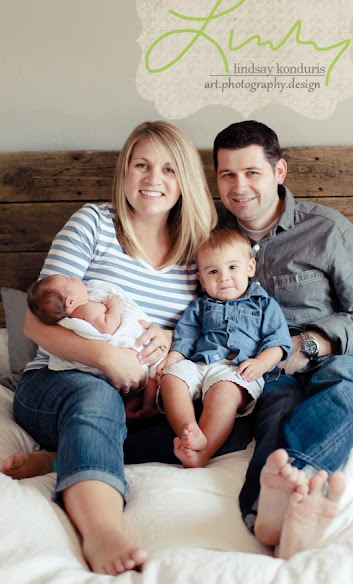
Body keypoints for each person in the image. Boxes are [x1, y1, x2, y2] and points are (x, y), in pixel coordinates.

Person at [0, 120, 226, 576]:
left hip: (144, 396)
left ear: (185, 179)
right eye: (141, 165)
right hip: (60, 382)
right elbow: (34, 322)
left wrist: (169, 340)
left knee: (214, 426)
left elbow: (203, 333)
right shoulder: (94, 223)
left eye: (168, 168)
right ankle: (102, 530)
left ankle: (61, 458)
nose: (153, 179)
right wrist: (106, 357)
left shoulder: (196, 253)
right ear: (124, 171)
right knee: (96, 397)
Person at [212, 120, 353, 558]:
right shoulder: (211, 238)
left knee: (343, 379)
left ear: (279, 172)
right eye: (227, 174)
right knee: (277, 411)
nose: (239, 187)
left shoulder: (326, 229)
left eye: (252, 173)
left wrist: (311, 344)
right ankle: (266, 516)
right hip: (272, 375)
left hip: (351, 365)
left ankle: (295, 486)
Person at [159, 226, 292, 468]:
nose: (223, 277)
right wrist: (174, 357)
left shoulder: (264, 304)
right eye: (213, 271)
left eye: (232, 267)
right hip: (200, 363)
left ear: (250, 268)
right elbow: (186, 335)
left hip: (236, 370)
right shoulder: (200, 306)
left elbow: (279, 342)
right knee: (171, 378)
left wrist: (261, 363)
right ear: (201, 279)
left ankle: (202, 453)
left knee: (224, 393)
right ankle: (188, 429)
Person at [27, 274, 164, 409]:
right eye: (70, 280)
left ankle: (139, 407)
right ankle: (147, 407)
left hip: (119, 368)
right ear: (70, 302)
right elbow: (108, 328)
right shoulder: (87, 309)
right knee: (151, 379)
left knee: (146, 383)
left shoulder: (82, 309)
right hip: (117, 352)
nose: (74, 276)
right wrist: (114, 307)